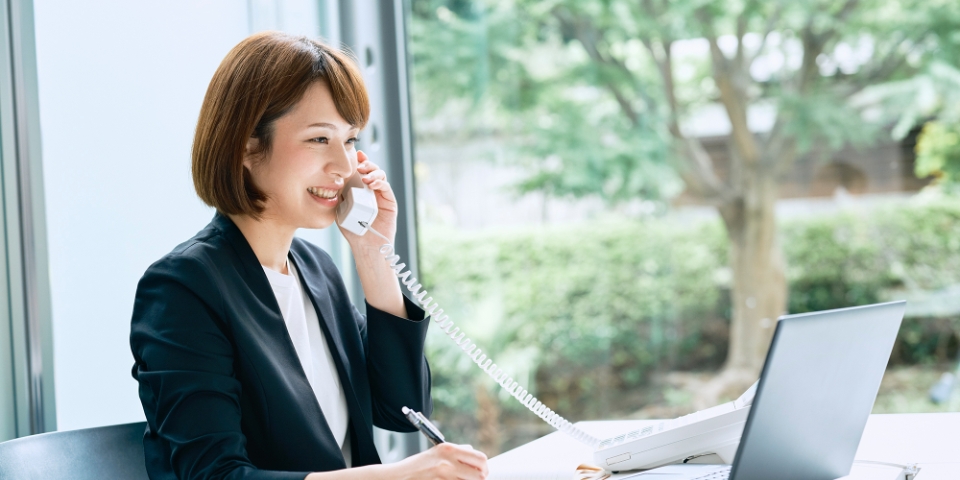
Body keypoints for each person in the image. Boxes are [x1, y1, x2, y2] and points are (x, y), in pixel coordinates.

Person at [129, 31, 488, 480]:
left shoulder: (316, 270)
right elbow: (214, 476)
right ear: (246, 145)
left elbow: (404, 410)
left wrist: (374, 253)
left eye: (351, 140)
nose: (344, 165)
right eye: (319, 139)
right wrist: (399, 477)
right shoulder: (184, 288)